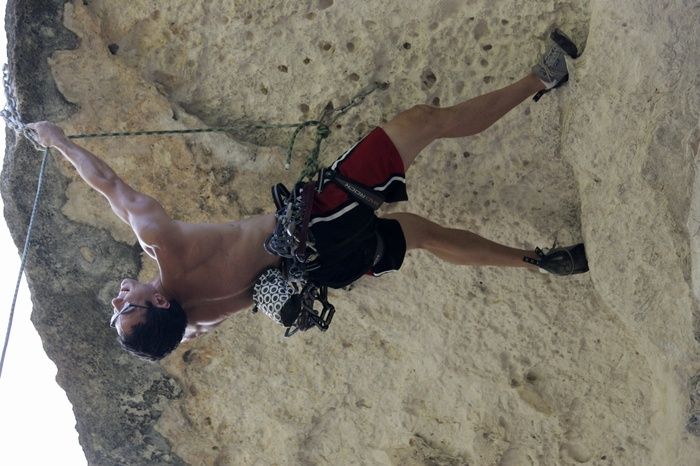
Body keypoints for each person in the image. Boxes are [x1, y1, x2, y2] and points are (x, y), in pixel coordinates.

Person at [28, 29, 588, 361]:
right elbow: (108, 186)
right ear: (157, 302)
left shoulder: (195, 320)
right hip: (319, 222)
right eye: (124, 307)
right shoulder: (164, 246)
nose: (115, 300)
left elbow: (166, 339)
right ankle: (542, 78)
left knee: (423, 236)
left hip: (330, 267)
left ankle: (543, 261)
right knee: (420, 123)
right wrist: (56, 141)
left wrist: (149, 326)